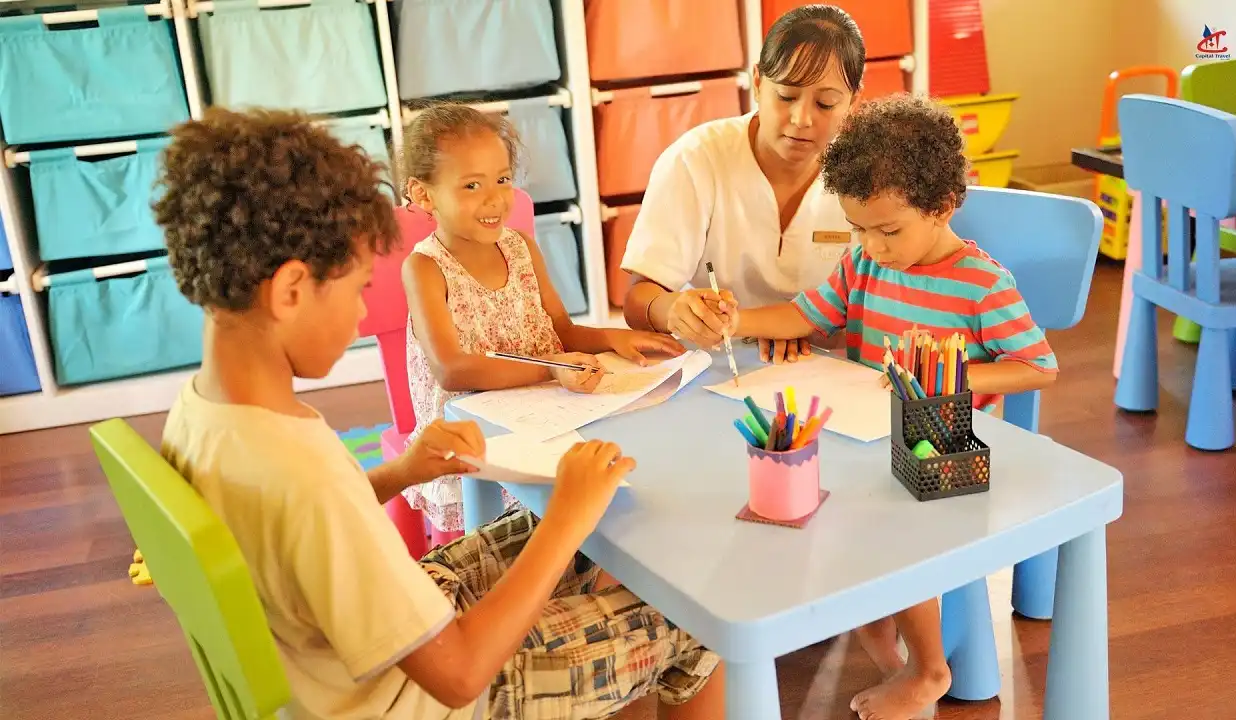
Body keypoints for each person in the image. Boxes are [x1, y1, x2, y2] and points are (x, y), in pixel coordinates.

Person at [153, 107, 723, 720]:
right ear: (291, 290)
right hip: (425, 698)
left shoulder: (203, 415)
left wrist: (400, 473)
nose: (360, 319)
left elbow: (289, 531)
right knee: (695, 615)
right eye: (355, 290)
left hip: (355, 655)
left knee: (598, 543)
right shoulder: (302, 470)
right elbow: (458, 677)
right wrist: (563, 521)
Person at [723, 94, 1059, 719]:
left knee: (890, 537)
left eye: (888, 230)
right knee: (812, 511)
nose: (871, 246)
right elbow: (804, 316)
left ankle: (930, 670)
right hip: (869, 444)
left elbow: (1039, 367)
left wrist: (950, 374)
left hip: (941, 457)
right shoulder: (863, 265)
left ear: (941, 208)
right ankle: (901, 665)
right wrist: (735, 317)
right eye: (858, 229)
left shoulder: (983, 284)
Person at [399, 103, 684, 543]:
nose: (494, 198)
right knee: (492, 550)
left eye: (502, 179)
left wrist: (613, 339)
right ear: (423, 196)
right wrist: (552, 368)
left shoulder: (520, 248)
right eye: (471, 185)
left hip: (541, 416)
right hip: (470, 443)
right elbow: (451, 369)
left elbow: (560, 330)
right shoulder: (425, 268)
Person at [620, 3, 864, 365]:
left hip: (829, 365)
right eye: (786, 96)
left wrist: (798, 327)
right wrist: (673, 309)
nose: (801, 119)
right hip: (722, 360)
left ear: (854, 102)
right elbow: (640, 299)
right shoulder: (695, 159)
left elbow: (887, 301)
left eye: (826, 104)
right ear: (757, 82)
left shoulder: (866, 173)